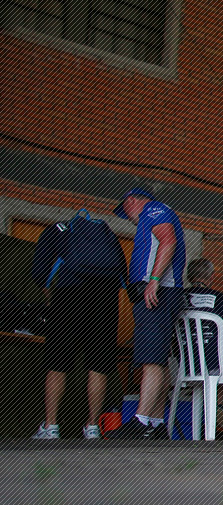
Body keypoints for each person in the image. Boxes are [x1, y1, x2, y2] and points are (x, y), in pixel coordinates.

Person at [30, 211, 127, 440]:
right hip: (105, 299)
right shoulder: (107, 234)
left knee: (57, 361)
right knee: (99, 364)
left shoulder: (56, 230)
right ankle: (92, 427)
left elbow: (39, 272)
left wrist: (49, 294)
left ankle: (51, 426)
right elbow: (123, 274)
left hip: (69, 295)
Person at [115, 187, 186, 438]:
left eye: (125, 210)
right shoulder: (150, 216)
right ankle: (155, 423)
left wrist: (154, 280)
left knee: (151, 358)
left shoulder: (154, 210)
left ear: (131, 200)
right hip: (159, 293)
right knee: (159, 358)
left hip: (157, 292)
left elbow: (168, 240)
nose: (128, 218)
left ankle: (141, 420)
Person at [181, 258, 223, 423]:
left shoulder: (177, 298)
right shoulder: (222, 300)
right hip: (214, 366)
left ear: (189, 276)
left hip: (183, 367)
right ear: (211, 276)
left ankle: (219, 407)